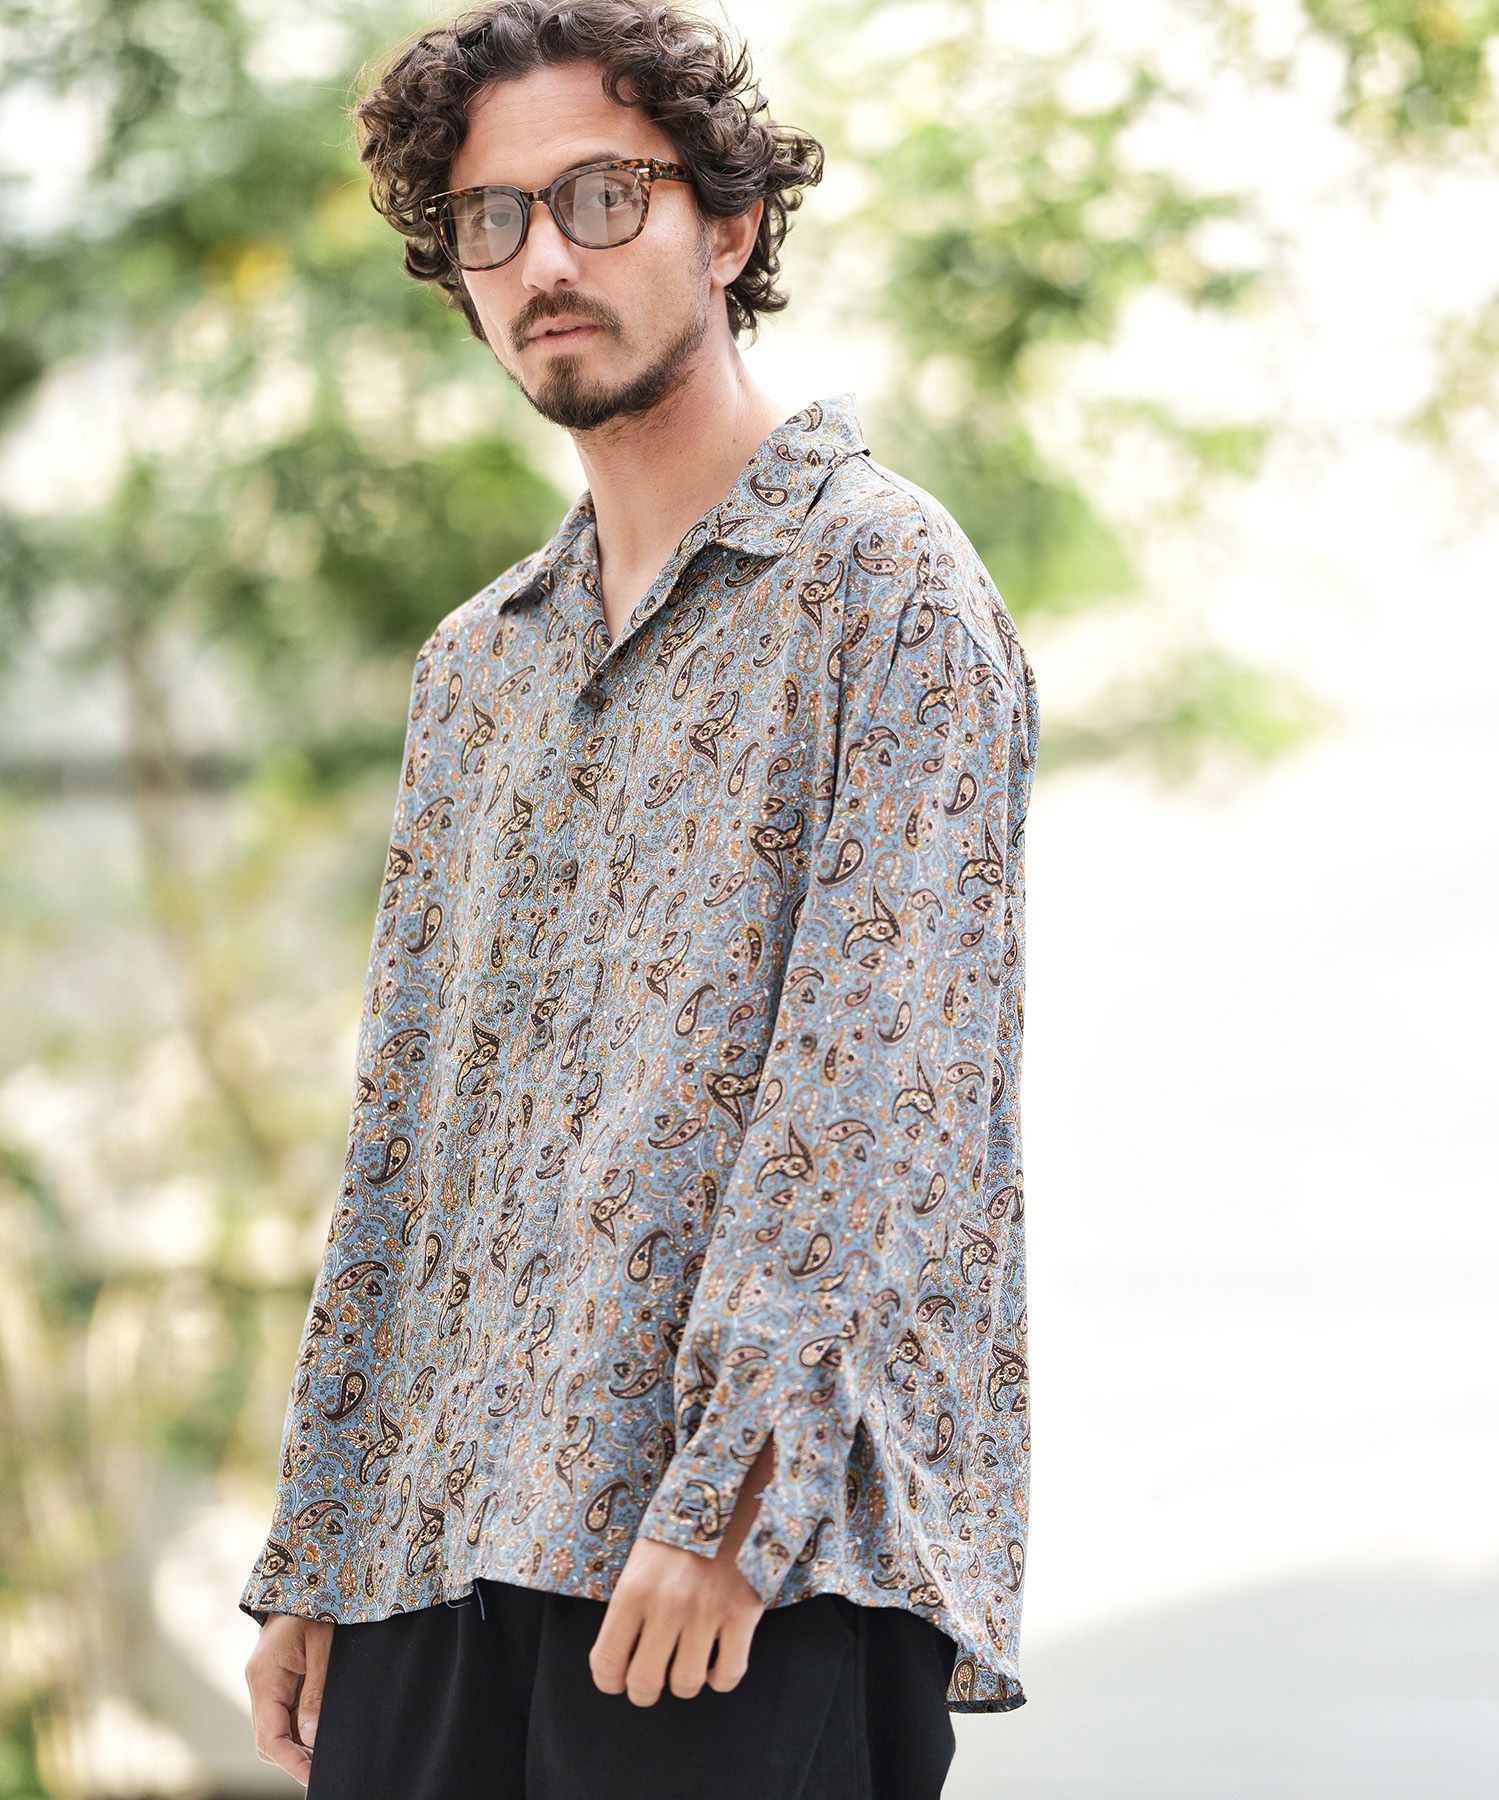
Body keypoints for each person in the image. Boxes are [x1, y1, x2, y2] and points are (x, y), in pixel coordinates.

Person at [240, 3, 1039, 1795]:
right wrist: (323, 1537)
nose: (545, 261)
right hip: (433, 1550)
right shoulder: (477, 668)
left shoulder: (885, 589)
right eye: (491, 219)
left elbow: (879, 1095)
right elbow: (409, 1134)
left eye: (603, 198)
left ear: (729, 225)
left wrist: (731, 1500)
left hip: (738, 1573)